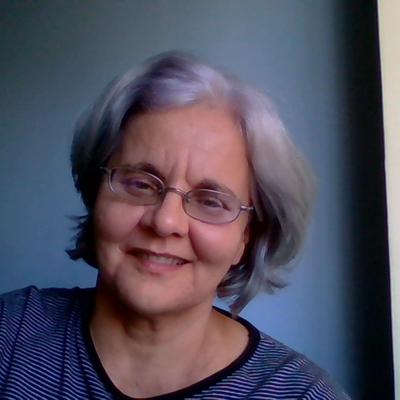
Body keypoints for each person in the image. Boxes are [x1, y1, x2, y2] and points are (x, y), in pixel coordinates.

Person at [0, 52, 350, 399]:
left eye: (210, 201)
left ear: (247, 236)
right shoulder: (9, 335)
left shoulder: (302, 394)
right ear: (96, 193)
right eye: (140, 184)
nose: (165, 221)